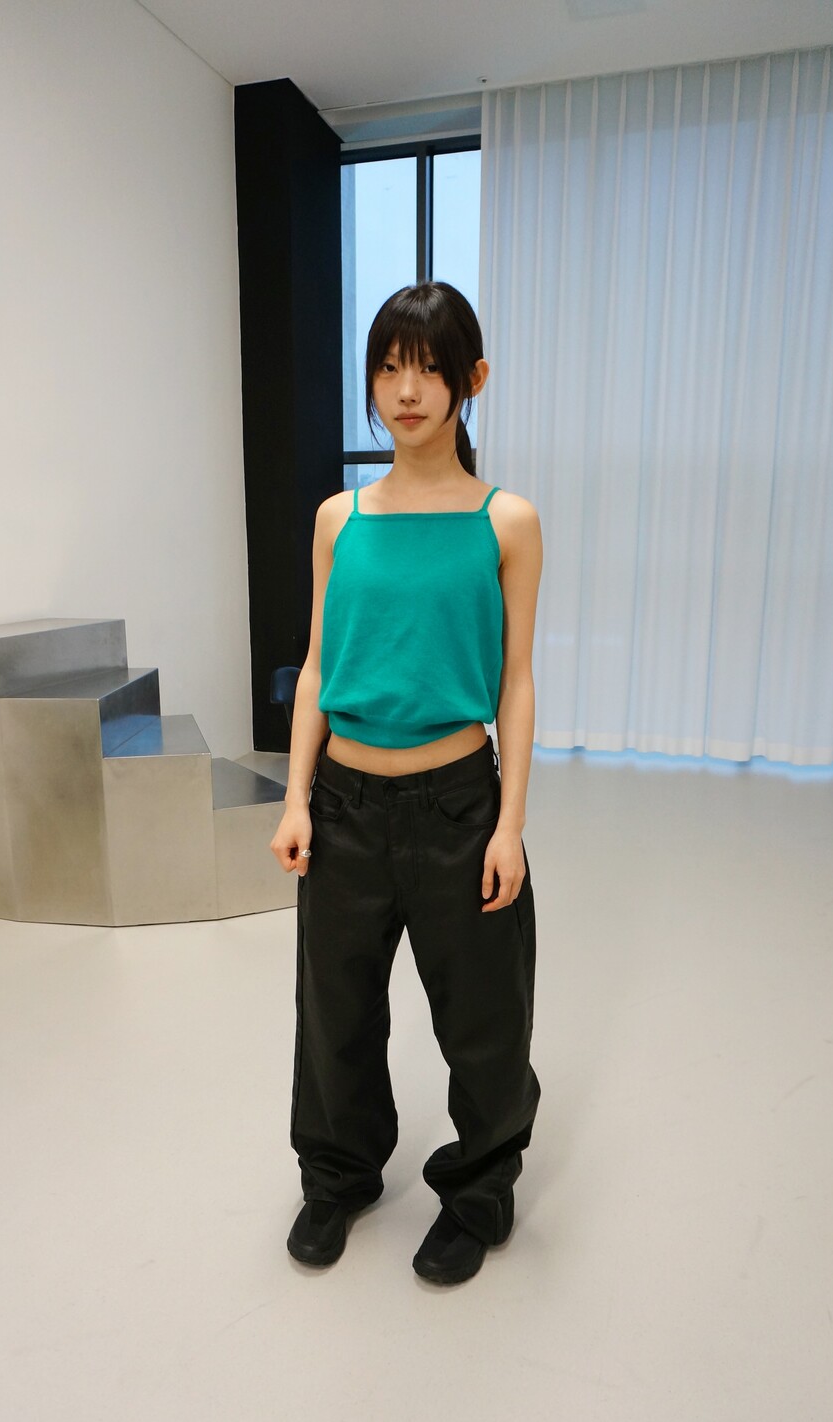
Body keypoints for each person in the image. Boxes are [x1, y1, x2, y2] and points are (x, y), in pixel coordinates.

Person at [270, 280, 543, 1286]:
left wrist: (508, 824)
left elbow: (515, 683)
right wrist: (295, 799)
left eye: (428, 368)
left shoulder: (506, 520)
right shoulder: (338, 518)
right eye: (388, 368)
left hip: (458, 805)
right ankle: (338, 1175)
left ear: (473, 378)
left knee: (483, 1018)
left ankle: (477, 1194)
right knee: (334, 1014)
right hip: (343, 805)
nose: (406, 390)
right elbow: (316, 666)